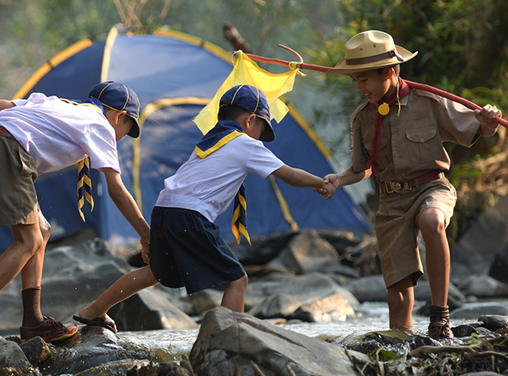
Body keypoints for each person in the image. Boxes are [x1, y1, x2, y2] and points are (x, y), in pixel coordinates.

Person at [73, 84, 336, 332]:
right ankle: (227, 341)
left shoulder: (210, 141)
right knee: (237, 280)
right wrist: (321, 182)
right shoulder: (246, 143)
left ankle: (94, 310)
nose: (260, 138)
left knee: (154, 272)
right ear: (250, 121)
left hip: (164, 208)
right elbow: (290, 175)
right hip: (190, 215)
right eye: (261, 129)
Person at [319, 30, 502, 341]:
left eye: (365, 79)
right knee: (397, 295)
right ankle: (403, 345)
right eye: (355, 80)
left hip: (431, 189)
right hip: (390, 204)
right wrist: (339, 179)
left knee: (432, 221)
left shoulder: (430, 101)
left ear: (389, 71)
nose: (360, 87)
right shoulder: (362, 117)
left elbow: (484, 135)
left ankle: (439, 318)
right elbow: (361, 169)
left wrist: (488, 123)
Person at [0, 81, 151, 343]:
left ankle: (33, 321)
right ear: (119, 117)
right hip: (8, 150)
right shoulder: (101, 125)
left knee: (42, 231)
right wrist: (148, 237)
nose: (123, 135)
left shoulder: (61, 104)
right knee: (29, 240)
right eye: (127, 129)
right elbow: (116, 190)